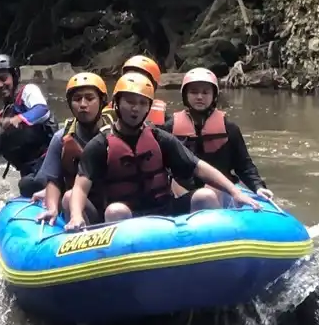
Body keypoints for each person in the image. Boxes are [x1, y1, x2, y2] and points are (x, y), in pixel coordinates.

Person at [65, 72, 260, 231]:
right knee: (115, 211)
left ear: (149, 107)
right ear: (116, 104)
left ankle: (216, 250)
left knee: (206, 196)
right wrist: (75, 216)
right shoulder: (101, 144)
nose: (136, 109)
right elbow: (81, 187)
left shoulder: (160, 138)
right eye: (130, 102)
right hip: (128, 213)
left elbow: (199, 167)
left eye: (142, 103)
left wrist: (235, 192)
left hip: (164, 210)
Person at [163, 68, 274, 206]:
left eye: (205, 92)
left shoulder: (229, 128)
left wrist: (258, 187)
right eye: (194, 92)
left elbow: (244, 165)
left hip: (222, 189)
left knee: (212, 192)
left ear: (214, 96)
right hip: (183, 190)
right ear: (185, 95)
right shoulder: (169, 128)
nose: (199, 97)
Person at [0, 54, 58, 196]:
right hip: (29, 175)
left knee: (30, 184)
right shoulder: (0, 119)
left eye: (3, 78)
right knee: (27, 184)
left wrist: (19, 119)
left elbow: (42, 110)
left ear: (14, 76)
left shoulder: (28, 92)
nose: (0, 85)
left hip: (51, 165)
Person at [34, 72, 114, 226]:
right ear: (70, 104)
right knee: (70, 196)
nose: (83, 104)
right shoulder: (61, 138)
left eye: (90, 98)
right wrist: (52, 208)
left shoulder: (116, 134)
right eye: (77, 99)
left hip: (112, 206)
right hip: (79, 206)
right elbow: (54, 180)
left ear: (102, 101)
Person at [101, 54, 168, 126]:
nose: (134, 82)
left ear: (153, 86)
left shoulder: (164, 116)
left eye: (141, 79)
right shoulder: (107, 113)